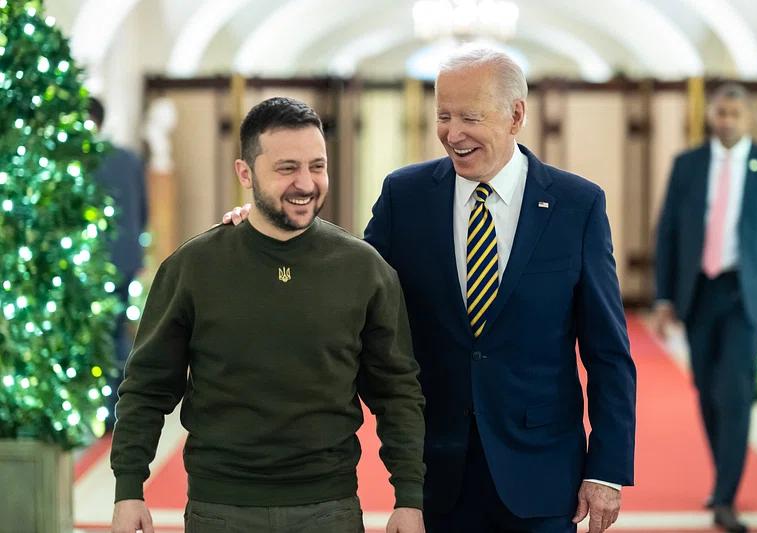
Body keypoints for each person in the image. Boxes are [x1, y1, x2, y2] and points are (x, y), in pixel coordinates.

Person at [225, 48, 636, 533]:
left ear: (516, 115)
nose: (452, 133)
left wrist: (607, 469)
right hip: (436, 471)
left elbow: (608, 350)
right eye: (443, 115)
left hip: (542, 472)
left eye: (469, 117)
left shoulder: (576, 204)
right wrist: (269, 231)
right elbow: (346, 282)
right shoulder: (407, 196)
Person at [111, 97, 426, 533]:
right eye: (287, 168)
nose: (306, 182)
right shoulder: (193, 268)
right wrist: (129, 489)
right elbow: (146, 387)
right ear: (245, 173)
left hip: (329, 506)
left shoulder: (364, 269)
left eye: (317, 166)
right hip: (219, 507)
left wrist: (408, 497)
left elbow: (397, 392)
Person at [653, 83, 757, 533]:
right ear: (711, 115)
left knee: (734, 393)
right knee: (707, 391)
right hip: (698, 291)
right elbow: (668, 234)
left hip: (746, 294)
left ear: (747, 117)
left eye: (735, 113)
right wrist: (662, 298)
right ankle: (723, 479)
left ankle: (725, 495)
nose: (727, 121)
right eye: (721, 112)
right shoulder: (688, 165)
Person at [88, 97, 149, 431]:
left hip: (93, 263)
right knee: (118, 334)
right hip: (125, 258)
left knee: (96, 336)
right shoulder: (128, 159)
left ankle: (100, 409)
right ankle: (119, 408)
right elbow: (143, 210)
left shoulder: (83, 160)